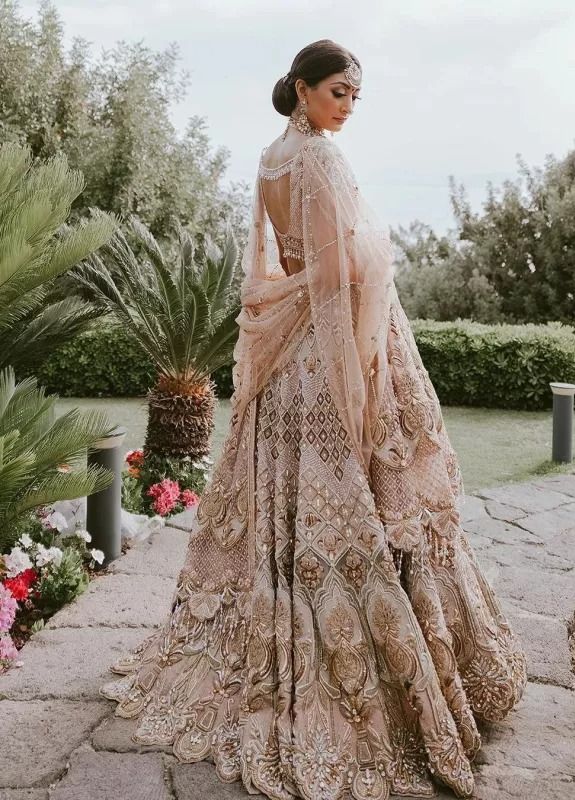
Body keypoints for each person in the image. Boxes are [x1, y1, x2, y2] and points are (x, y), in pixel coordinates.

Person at [100, 39, 527, 800]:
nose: (348, 105)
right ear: (302, 88)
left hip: (287, 358)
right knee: (360, 501)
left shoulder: (269, 160)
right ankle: (367, 683)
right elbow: (331, 278)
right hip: (326, 353)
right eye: (338, 91)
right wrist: (359, 388)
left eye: (356, 95)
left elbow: (286, 267)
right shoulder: (320, 160)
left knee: (293, 505)